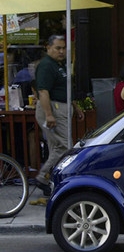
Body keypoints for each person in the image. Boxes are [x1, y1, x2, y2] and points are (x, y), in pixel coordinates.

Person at [34, 35, 84, 196]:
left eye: (63, 48)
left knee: (56, 146)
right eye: (58, 48)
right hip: (53, 108)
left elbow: (66, 88)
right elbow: (43, 91)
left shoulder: (59, 65)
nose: (61, 51)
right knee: (64, 146)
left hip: (63, 106)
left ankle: (52, 180)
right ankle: (43, 177)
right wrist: (49, 114)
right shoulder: (46, 66)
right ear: (48, 48)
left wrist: (75, 106)